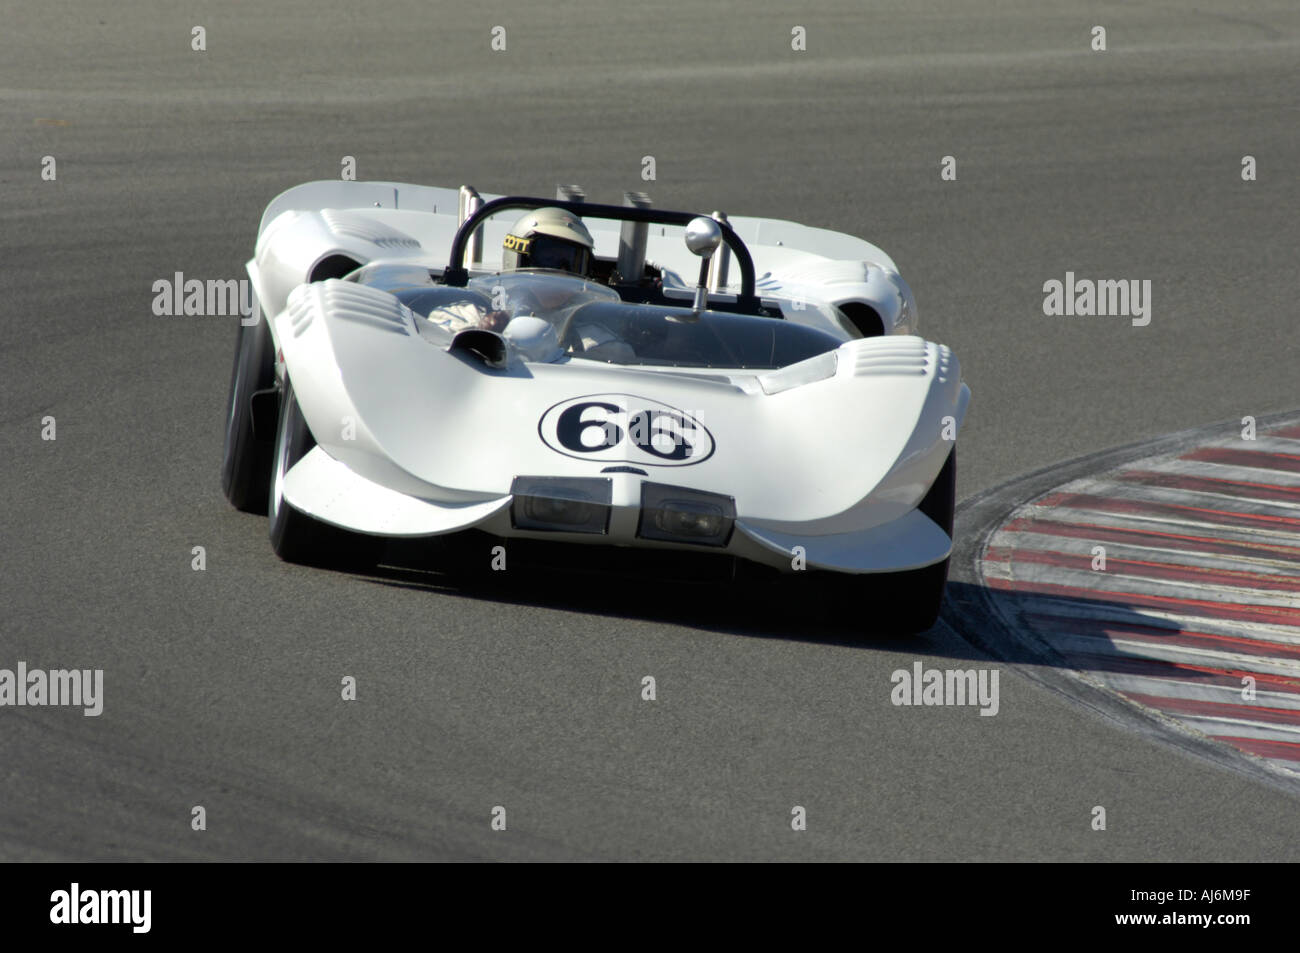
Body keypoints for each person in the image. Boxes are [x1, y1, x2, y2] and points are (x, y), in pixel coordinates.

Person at [501, 208, 595, 276]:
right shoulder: (492, 301)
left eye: (570, 263)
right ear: (518, 260)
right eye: (549, 259)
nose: (561, 274)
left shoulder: (595, 302)